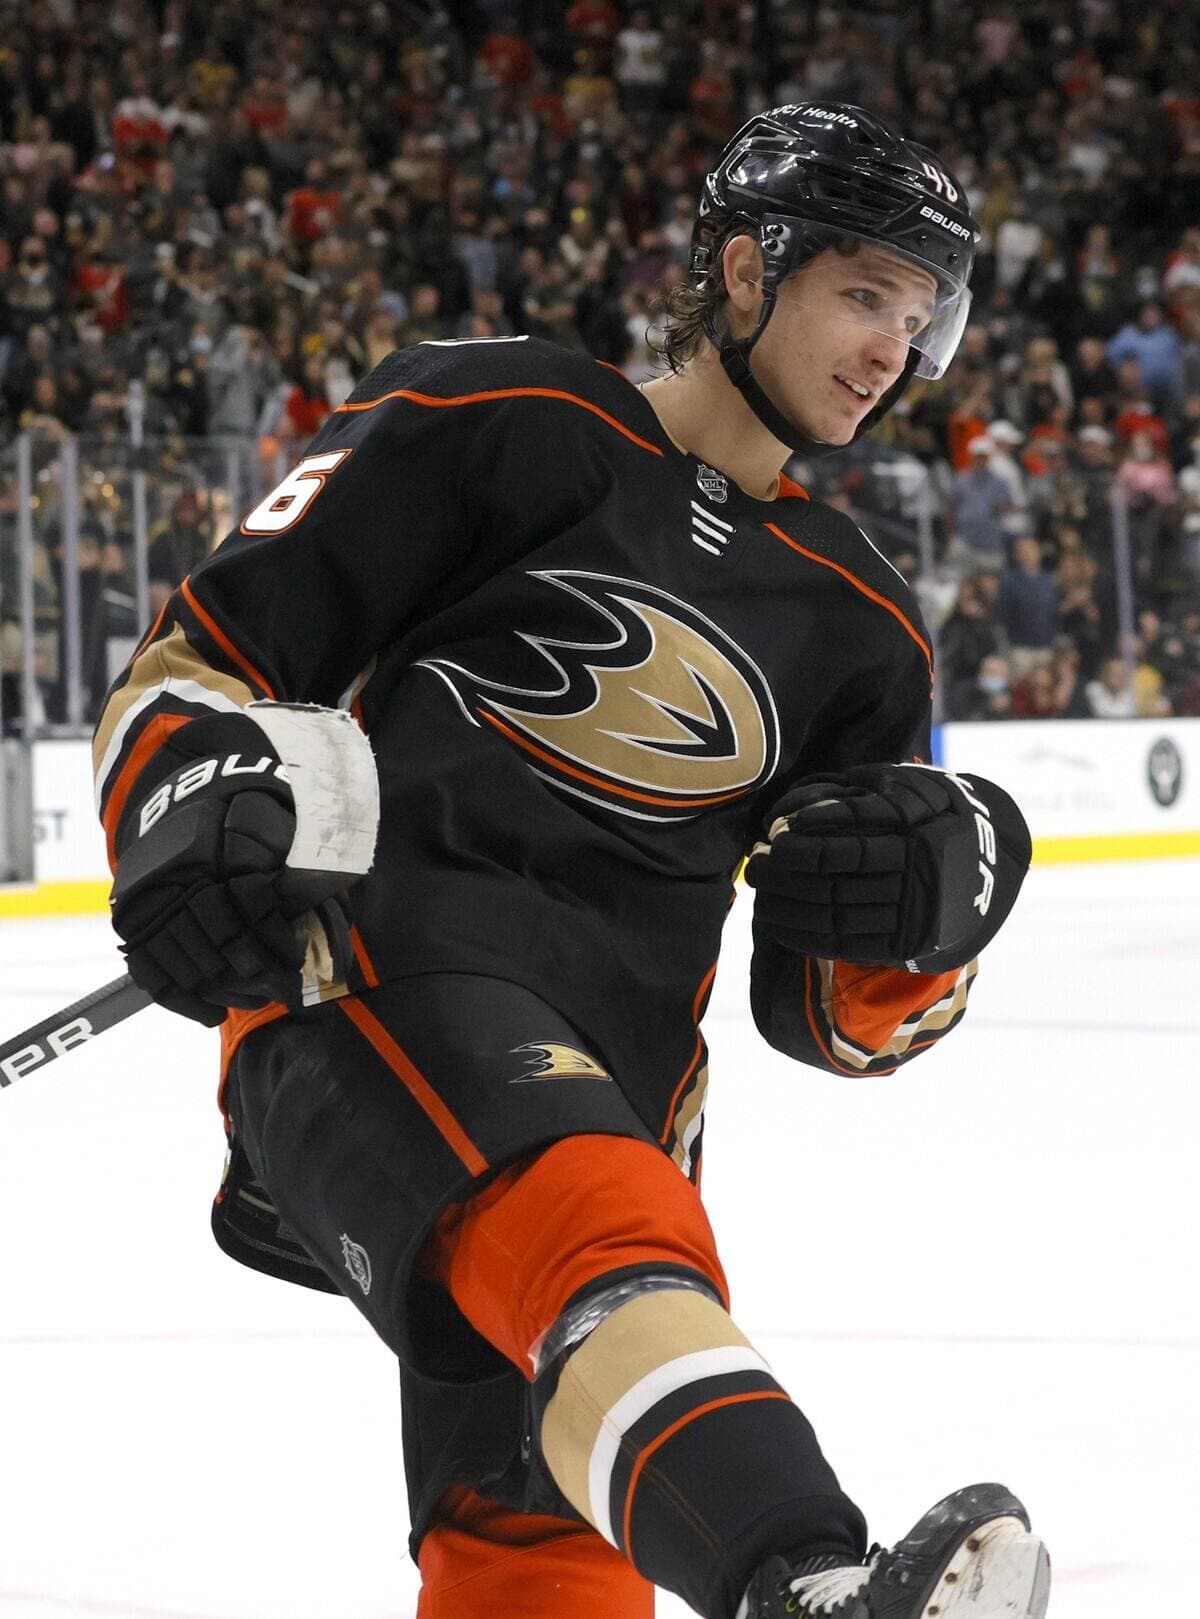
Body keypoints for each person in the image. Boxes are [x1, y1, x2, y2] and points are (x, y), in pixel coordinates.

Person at [93, 104, 1047, 1619]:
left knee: (538, 1568)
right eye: (865, 293)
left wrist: (934, 912)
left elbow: (834, 1018)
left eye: (921, 315)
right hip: (373, 991)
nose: (894, 350)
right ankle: (805, 1580)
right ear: (748, 271)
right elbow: (200, 665)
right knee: (609, 1250)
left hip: (625, 1106)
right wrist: (187, 807)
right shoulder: (494, 414)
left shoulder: (863, 622)